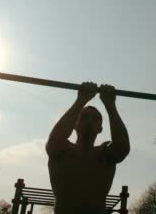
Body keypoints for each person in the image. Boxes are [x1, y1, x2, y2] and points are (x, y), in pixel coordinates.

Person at [46, 82, 130, 214]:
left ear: (100, 129)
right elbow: (54, 140)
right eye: (84, 117)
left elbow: (122, 148)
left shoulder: (104, 154)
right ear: (75, 124)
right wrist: (81, 100)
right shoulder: (62, 150)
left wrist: (110, 105)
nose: (89, 121)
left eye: (95, 119)